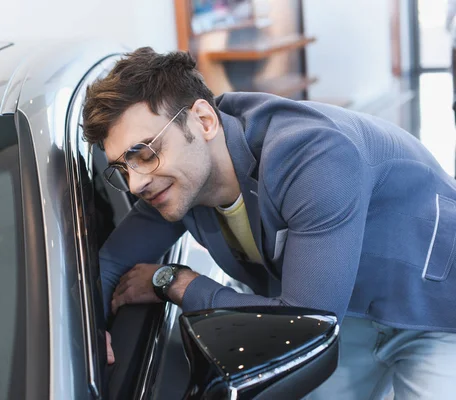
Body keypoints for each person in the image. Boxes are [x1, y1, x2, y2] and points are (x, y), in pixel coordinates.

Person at [82, 47, 456, 399]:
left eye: (145, 153)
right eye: (121, 168)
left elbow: (305, 324)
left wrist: (176, 282)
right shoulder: (176, 182)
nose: (136, 183)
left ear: (205, 121)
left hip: (432, 308)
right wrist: (87, 336)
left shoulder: (315, 159)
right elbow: (111, 262)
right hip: (346, 317)